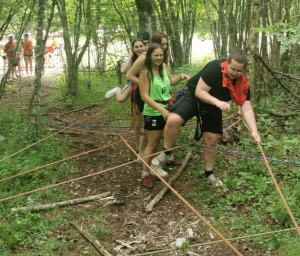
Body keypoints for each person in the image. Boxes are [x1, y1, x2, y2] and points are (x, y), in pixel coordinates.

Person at [151, 49, 261, 187]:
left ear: (243, 70)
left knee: (212, 140)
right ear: (227, 63)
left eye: (239, 71)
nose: (234, 73)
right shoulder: (214, 68)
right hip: (194, 95)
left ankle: (209, 173)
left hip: (214, 104)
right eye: (232, 68)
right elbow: (199, 91)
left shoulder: (243, 83)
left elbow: (247, 108)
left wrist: (254, 131)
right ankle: (167, 153)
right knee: (173, 120)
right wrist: (218, 102)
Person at [139, 43, 190, 188]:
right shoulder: (145, 73)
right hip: (154, 110)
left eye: (161, 55)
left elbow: (170, 82)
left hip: (168, 107)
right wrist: (161, 111)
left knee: (171, 134)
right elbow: (144, 96)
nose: (159, 58)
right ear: (149, 56)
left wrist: (180, 76)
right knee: (153, 145)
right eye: (156, 55)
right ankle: (145, 173)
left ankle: (167, 159)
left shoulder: (164, 67)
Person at [126, 31, 173, 163]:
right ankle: (142, 154)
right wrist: (146, 85)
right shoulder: (144, 57)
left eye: (166, 44)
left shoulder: (160, 57)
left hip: (158, 94)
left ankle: (152, 154)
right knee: (146, 126)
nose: (165, 47)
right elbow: (129, 76)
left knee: (153, 128)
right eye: (162, 44)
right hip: (144, 94)